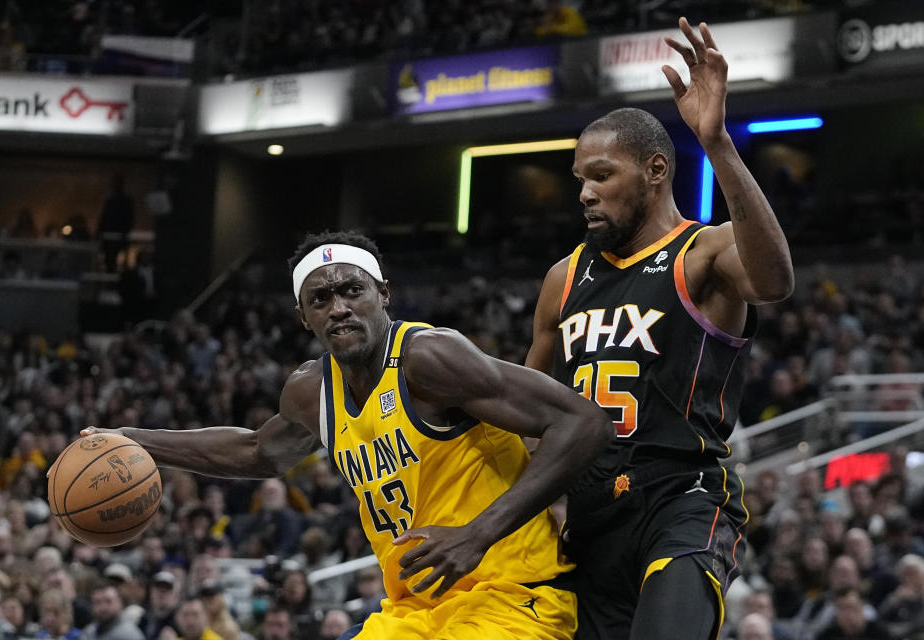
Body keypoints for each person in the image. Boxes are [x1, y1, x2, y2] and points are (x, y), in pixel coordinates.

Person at [81, 230, 614, 640]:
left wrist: (478, 533)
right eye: (322, 299)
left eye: (352, 291)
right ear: (303, 317)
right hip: (412, 610)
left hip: (511, 595)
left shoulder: (429, 358)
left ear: (383, 294)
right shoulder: (310, 393)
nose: (339, 307)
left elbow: (583, 422)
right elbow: (256, 452)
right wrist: (135, 440)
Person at [526, 17, 794, 640]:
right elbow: (526, 414)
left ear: (654, 170)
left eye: (601, 175)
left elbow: (776, 282)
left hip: (683, 496)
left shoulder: (704, 252)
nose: (586, 194)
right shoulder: (561, 278)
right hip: (591, 516)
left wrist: (717, 142)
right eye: (580, 181)